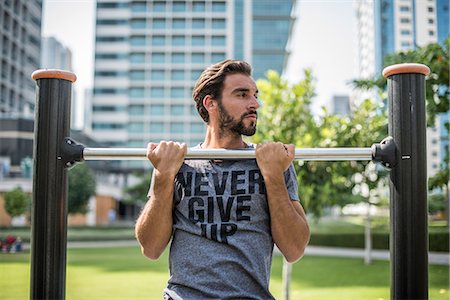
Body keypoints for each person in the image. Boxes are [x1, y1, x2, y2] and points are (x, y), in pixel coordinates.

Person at [135, 59, 310, 299]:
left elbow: (294, 249)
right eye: (242, 95)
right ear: (211, 103)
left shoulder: (272, 162)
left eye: (254, 95)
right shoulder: (176, 164)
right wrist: (163, 176)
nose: (255, 103)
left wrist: (273, 177)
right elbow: (151, 248)